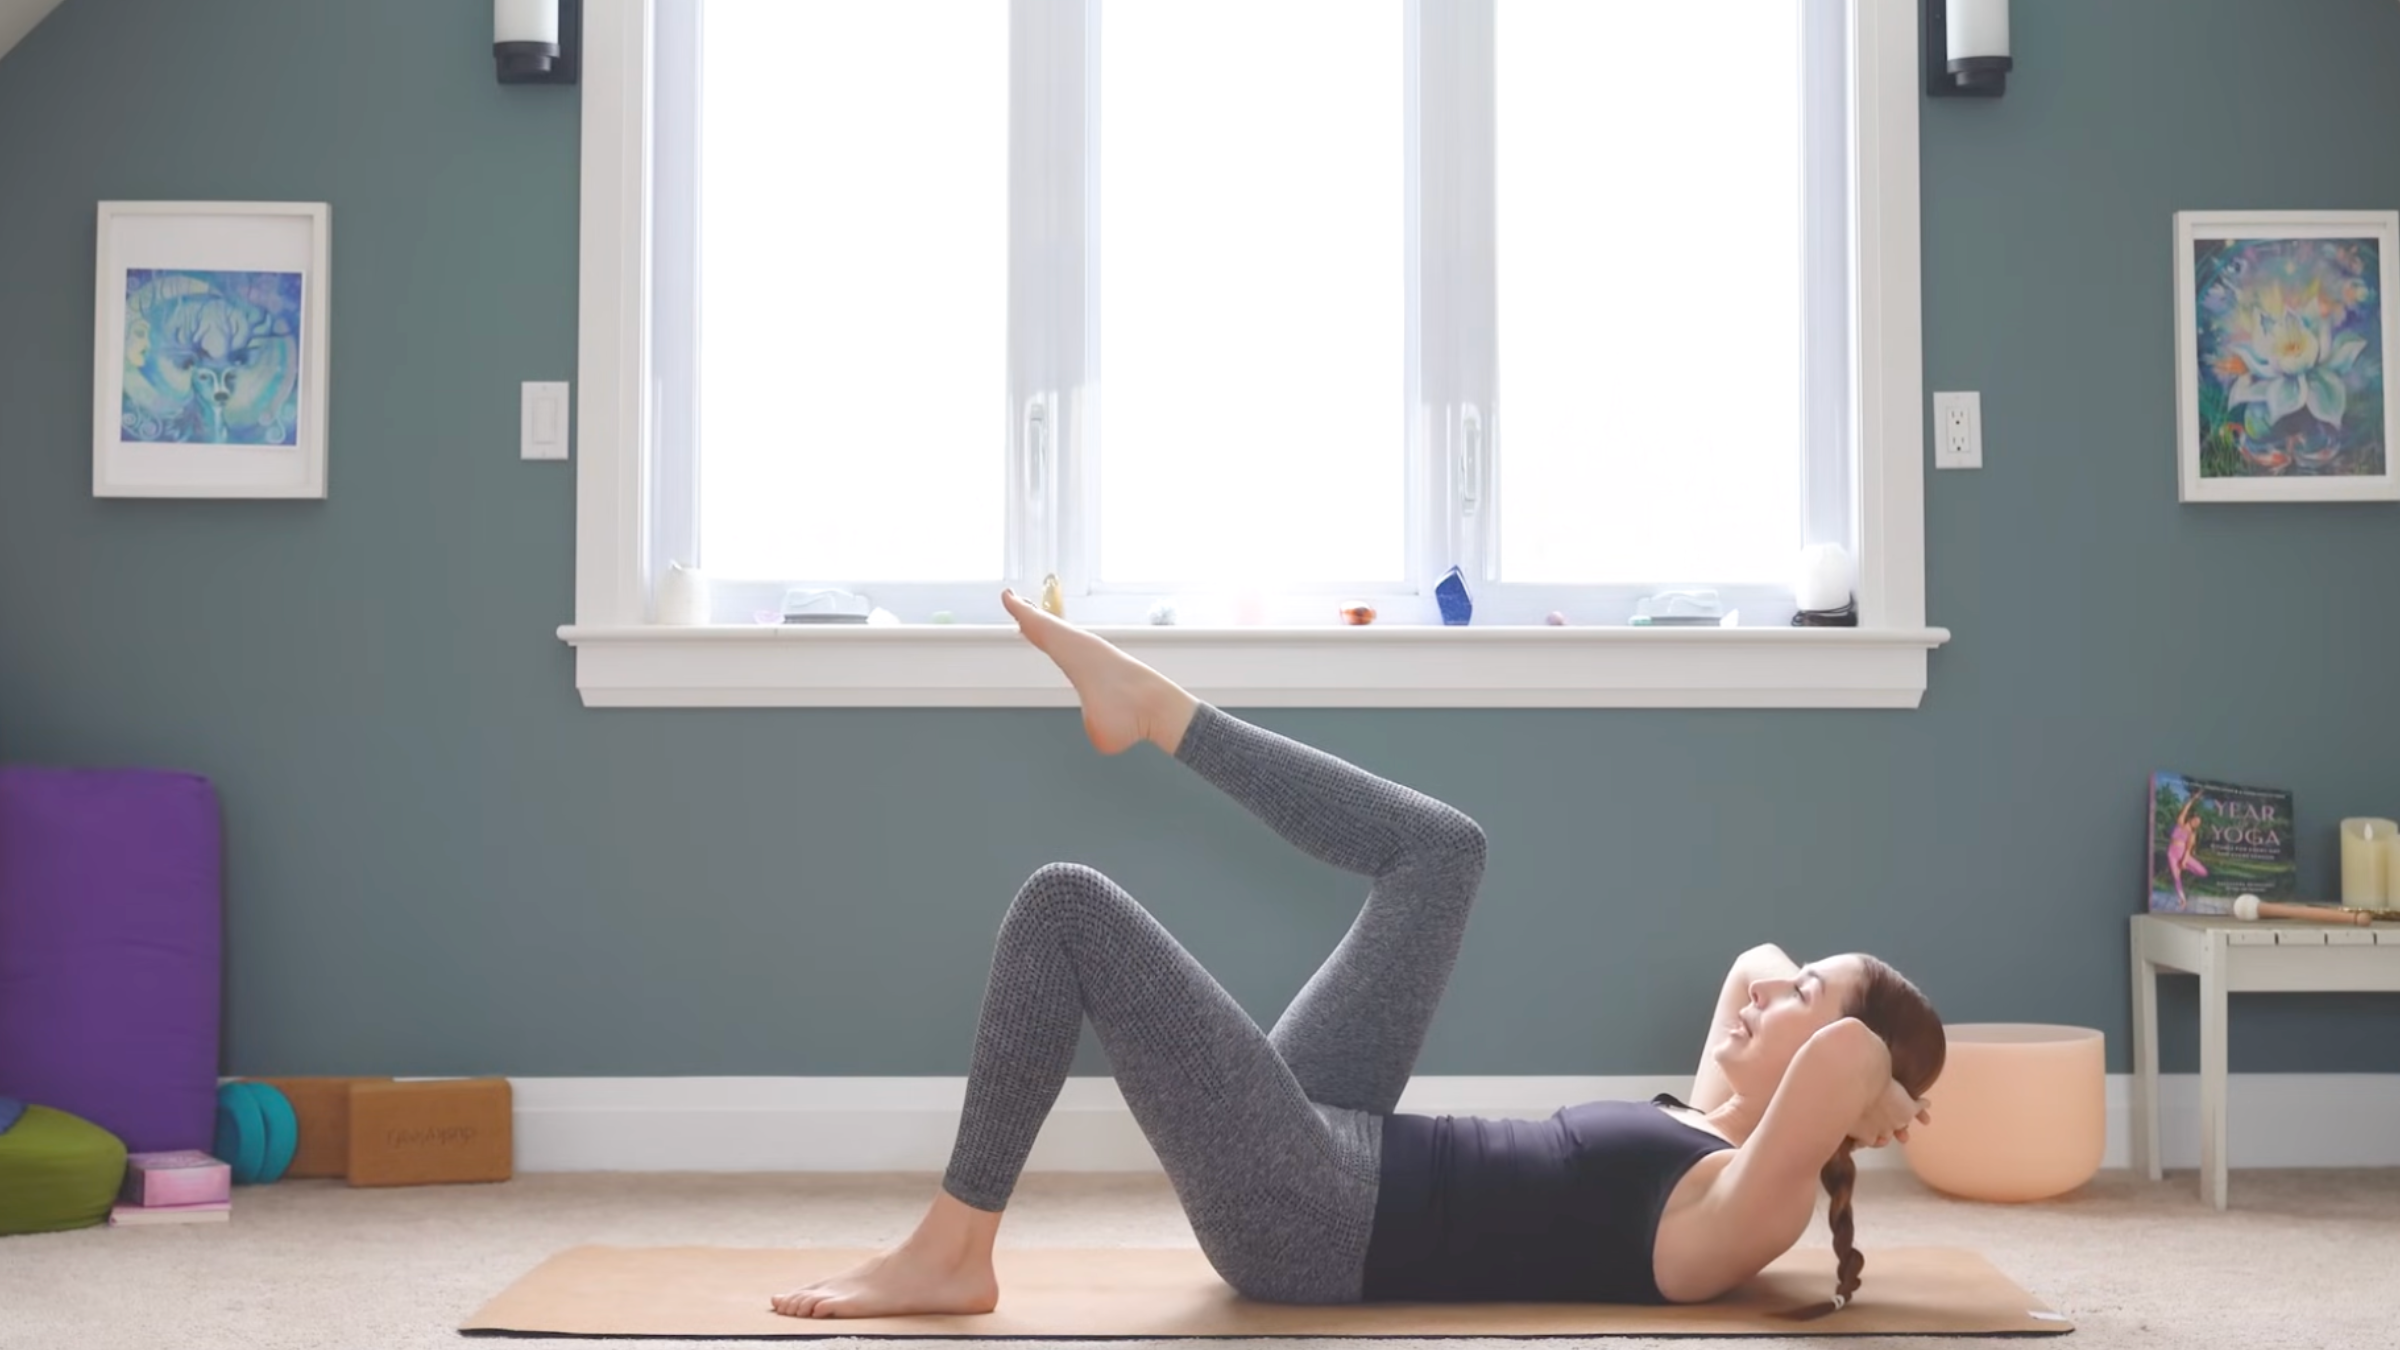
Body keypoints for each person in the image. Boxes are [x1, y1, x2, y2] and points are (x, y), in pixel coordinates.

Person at [771, 590, 1944, 1319]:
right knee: (1447, 853)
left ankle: (952, 1252)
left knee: (1064, 908)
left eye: (1808, 996)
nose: (1767, 991)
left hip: (1317, 1218)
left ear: (1834, 1082)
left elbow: (1835, 1055)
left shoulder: (1745, 1211)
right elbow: (1757, 960)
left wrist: (1875, 1080)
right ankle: (1156, 708)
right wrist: (1832, 1034)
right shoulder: (1707, 1125)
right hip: (1341, 1133)